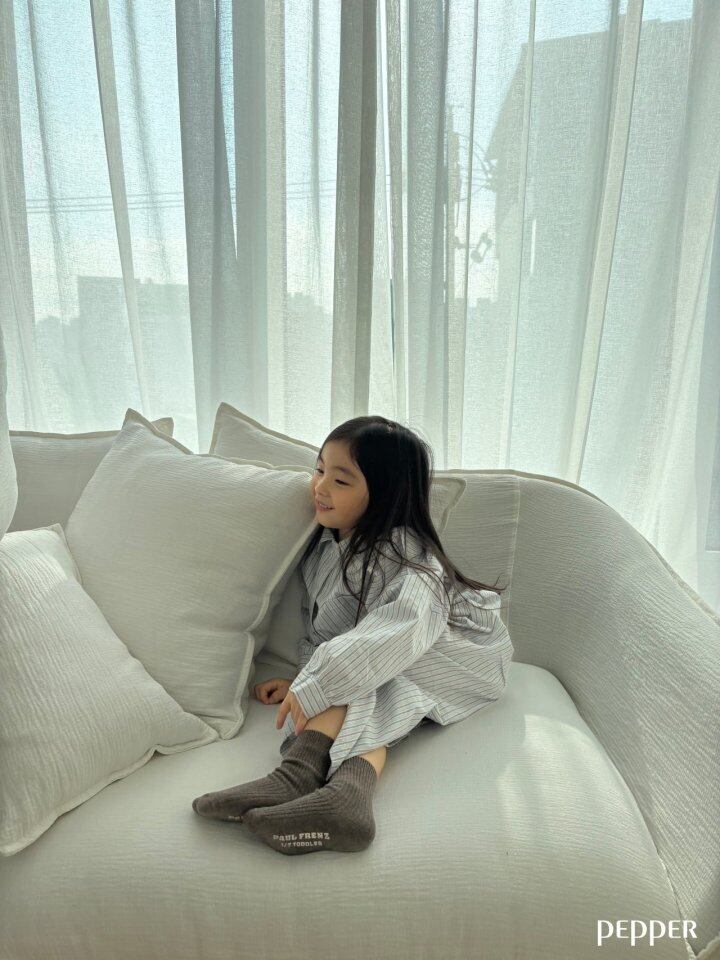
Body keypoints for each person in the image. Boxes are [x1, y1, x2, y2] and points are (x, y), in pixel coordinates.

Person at [192, 415, 513, 855]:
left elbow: (400, 629)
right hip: (396, 645)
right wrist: (305, 677)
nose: (320, 486)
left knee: (368, 678)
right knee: (361, 674)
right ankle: (345, 803)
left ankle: (297, 776)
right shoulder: (327, 547)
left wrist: (320, 682)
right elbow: (334, 632)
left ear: (384, 493)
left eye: (341, 480)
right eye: (319, 469)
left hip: (462, 652)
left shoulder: (407, 556)